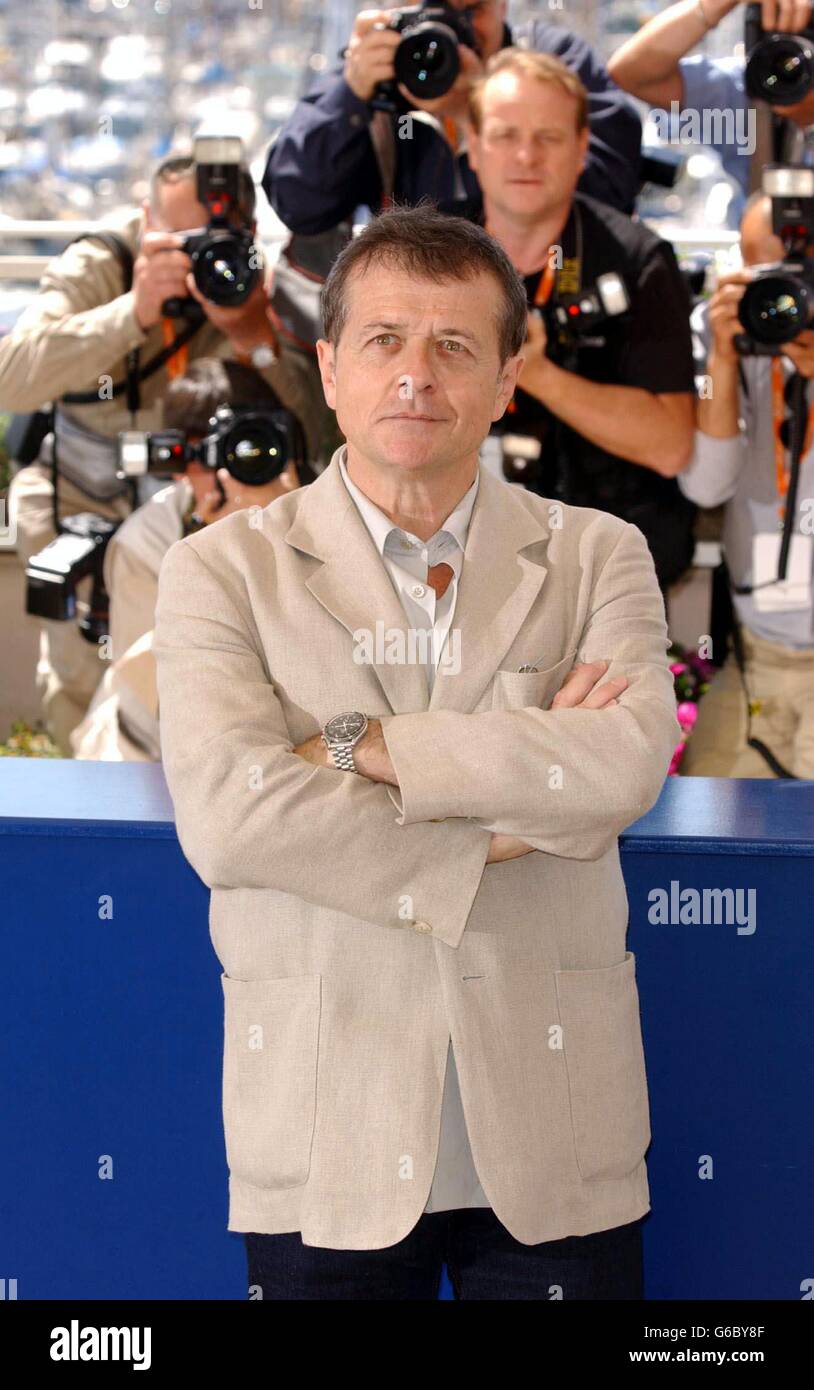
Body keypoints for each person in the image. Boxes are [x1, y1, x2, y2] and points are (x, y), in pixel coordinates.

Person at [152, 204, 679, 1300]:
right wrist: (506, 812)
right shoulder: (218, 572)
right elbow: (233, 819)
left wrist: (359, 745)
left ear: (504, 380)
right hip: (325, 1121)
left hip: (551, 1129)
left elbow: (623, 766)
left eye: (454, 346)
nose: (416, 375)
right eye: (385, 340)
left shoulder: (597, 556)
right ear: (330, 366)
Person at [1, 149, 326, 755]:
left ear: (249, 235)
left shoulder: (245, 285)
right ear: (145, 219)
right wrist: (133, 312)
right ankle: (85, 800)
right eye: (179, 238)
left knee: (181, 671)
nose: (199, 256)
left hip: (196, 498)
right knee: (80, 672)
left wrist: (252, 334)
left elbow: (313, 436)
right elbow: (13, 376)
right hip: (81, 490)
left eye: (215, 239)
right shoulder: (103, 262)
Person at [465, 48, 697, 593]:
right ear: (472, 146)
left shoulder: (640, 261)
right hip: (456, 574)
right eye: (505, 135)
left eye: (548, 137)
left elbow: (671, 445)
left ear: (581, 149)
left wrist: (540, 373)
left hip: (602, 578)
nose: (526, 156)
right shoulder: (427, 256)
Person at [70, 358, 311, 761]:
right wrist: (214, 555)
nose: (238, 464)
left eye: (255, 442)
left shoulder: (328, 505)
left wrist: (287, 538)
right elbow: (158, 691)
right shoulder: (146, 542)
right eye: (220, 448)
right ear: (182, 461)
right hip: (157, 752)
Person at [262, 0, 643, 235]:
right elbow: (298, 205)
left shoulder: (554, 61)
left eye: (471, 10)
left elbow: (608, 196)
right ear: (397, 9)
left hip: (541, 308)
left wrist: (482, 109)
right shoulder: (375, 78)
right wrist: (350, 97)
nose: (453, 30)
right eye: (433, 9)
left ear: (503, 6)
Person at [678, 192, 814, 776]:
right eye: (766, 274)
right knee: (700, 833)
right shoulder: (725, 338)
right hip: (757, 654)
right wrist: (725, 364)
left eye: (801, 277)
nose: (785, 298)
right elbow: (706, 486)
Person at [608, 0, 814, 228]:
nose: (794, 64)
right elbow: (631, 73)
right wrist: (715, 6)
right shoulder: (750, 91)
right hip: (760, 261)